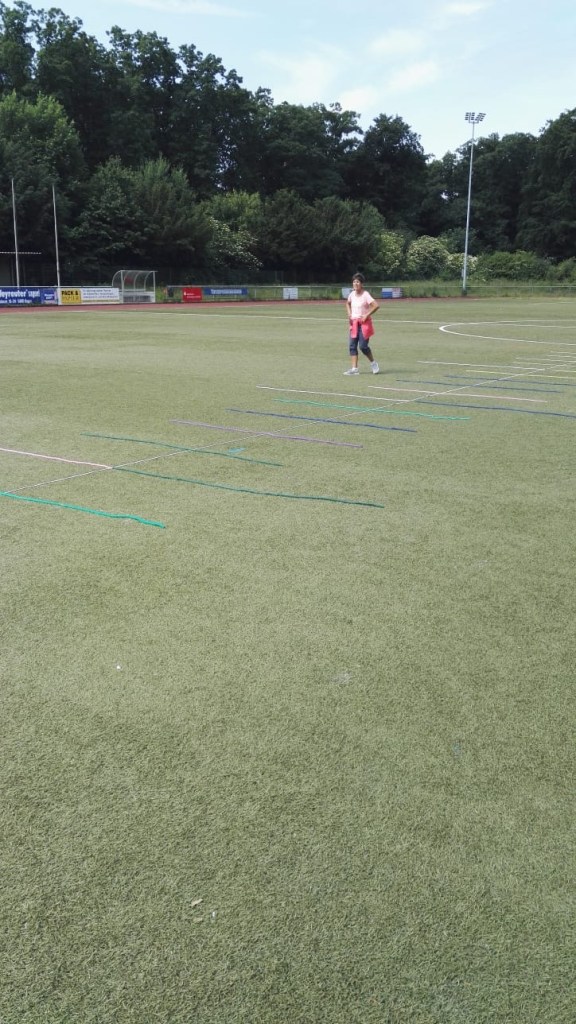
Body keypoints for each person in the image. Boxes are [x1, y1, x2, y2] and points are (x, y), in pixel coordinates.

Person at [344, 272, 380, 375]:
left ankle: (373, 363)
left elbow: (376, 305)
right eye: (354, 282)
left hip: (364, 324)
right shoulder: (352, 294)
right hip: (354, 323)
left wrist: (366, 315)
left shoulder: (365, 295)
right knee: (352, 346)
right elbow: (347, 303)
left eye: (357, 282)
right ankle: (354, 369)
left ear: (362, 284)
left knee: (363, 346)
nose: (355, 284)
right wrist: (349, 313)